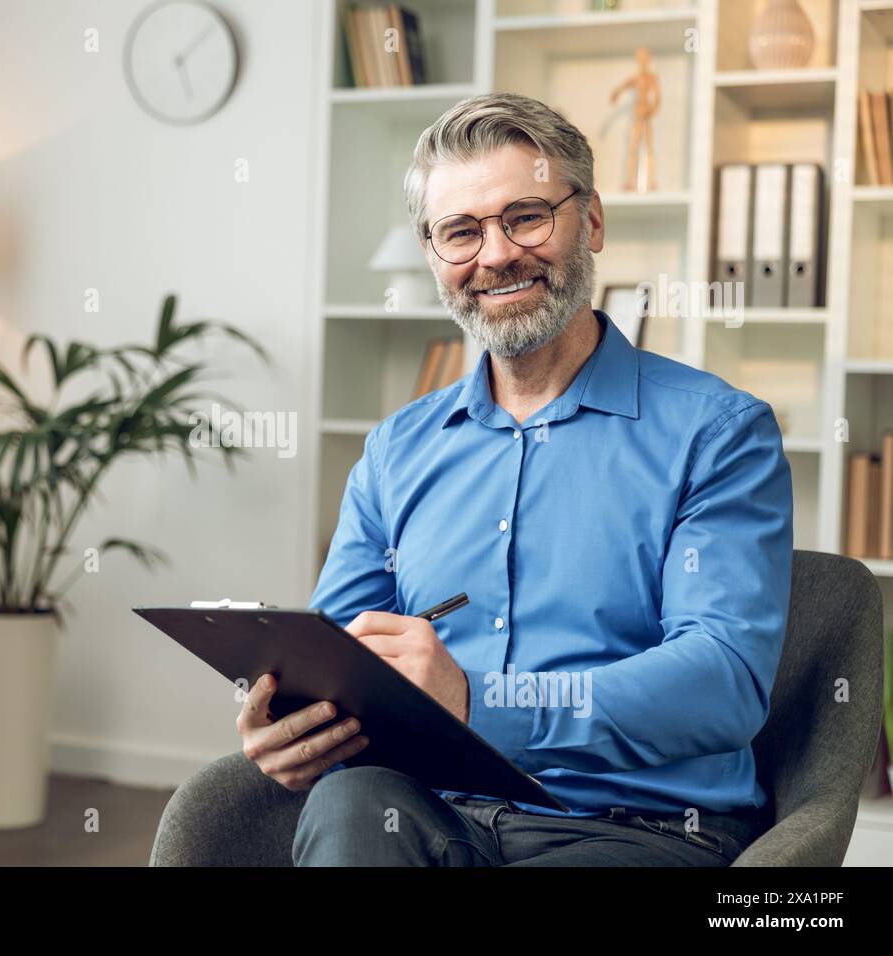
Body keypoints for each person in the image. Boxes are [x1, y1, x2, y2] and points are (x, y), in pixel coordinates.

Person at [236, 92, 792, 866]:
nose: (494, 254)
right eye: (461, 231)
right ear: (434, 257)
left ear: (590, 222)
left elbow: (721, 683)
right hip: (428, 813)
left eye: (525, 216)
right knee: (349, 803)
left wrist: (479, 703)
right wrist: (289, 720)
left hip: (638, 830)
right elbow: (338, 657)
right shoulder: (398, 449)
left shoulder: (718, 433)